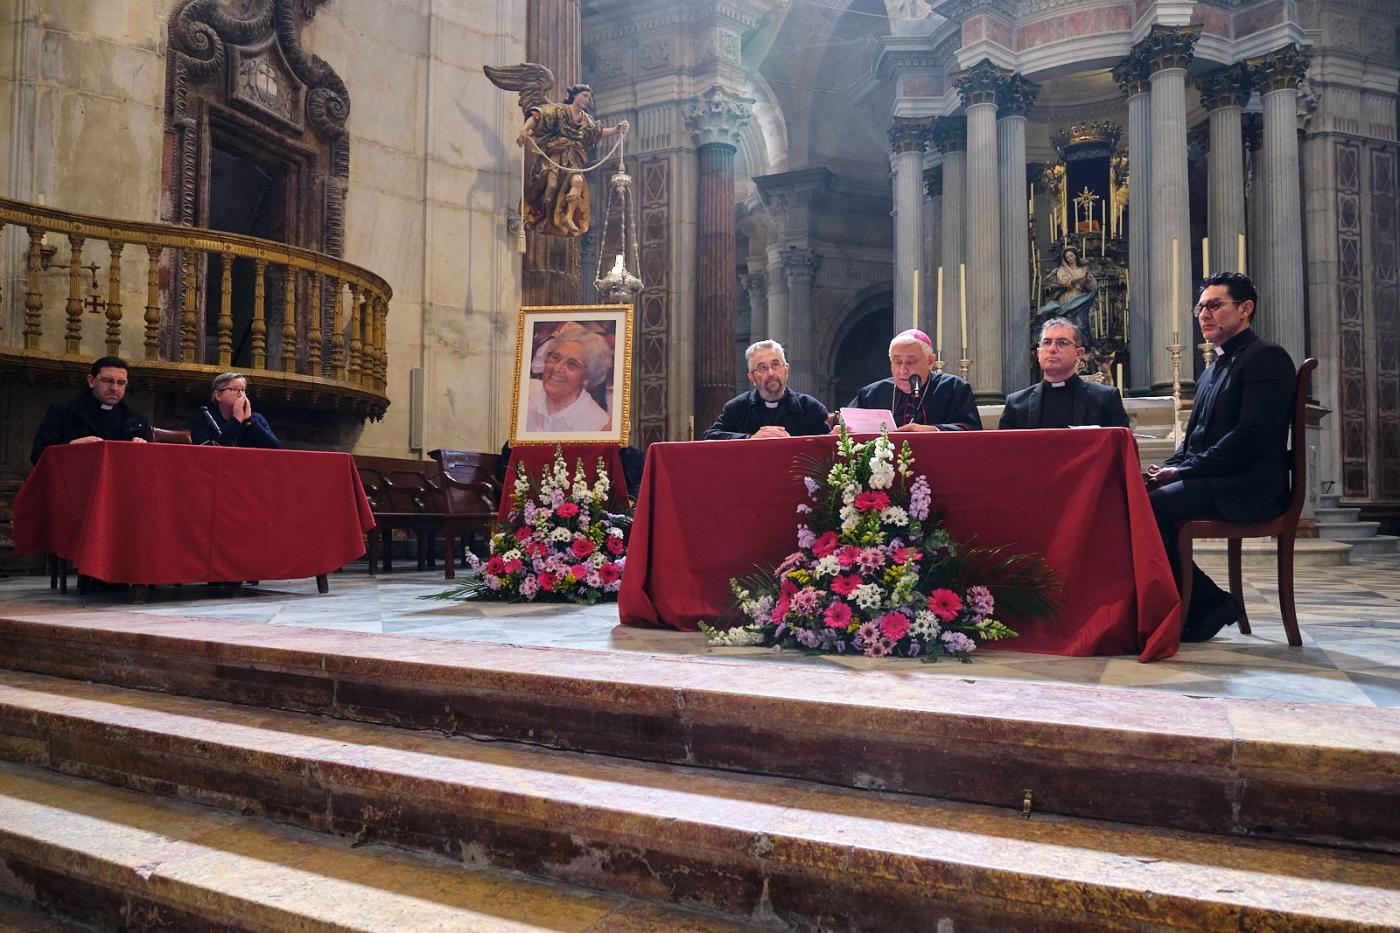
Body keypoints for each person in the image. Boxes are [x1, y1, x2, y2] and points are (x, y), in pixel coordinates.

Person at [1147, 272, 1297, 642]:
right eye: (1201, 307)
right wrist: (1166, 468)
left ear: (1245, 309)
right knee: (1136, 497)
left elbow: (1251, 436)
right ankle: (1189, 603)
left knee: (1149, 510)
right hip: (1215, 479)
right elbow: (1193, 441)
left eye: (1215, 305)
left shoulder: (1267, 357)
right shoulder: (1213, 369)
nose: (1204, 314)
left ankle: (1207, 604)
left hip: (1249, 486)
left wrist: (1184, 471)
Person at [516, 84, 628, 237]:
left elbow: (597, 132)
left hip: (573, 158)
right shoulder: (560, 110)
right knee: (551, 185)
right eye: (584, 96)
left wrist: (616, 130)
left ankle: (568, 217)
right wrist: (524, 129)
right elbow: (539, 115)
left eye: (589, 98)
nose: (587, 100)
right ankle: (547, 218)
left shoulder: (586, 120)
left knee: (578, 181)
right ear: (575, 95)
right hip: (554, 156)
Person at [999, 318, 1130, 430]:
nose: (1052, 349)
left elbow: (1122, 450)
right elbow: (1003, 455)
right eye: (1047, 342)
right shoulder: (1017, 404)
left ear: (1079, 354)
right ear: (1038, 353)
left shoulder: (1105, 399)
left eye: (1062, 343)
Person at [845, 329, 981, 432]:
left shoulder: (953, 388)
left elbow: (971, 429)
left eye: (911, 362)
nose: (902, 370)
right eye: (897, 362)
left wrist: (933, 430)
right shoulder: (871, 394)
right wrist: (842, 430)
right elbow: (846, 424)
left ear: (930, 361)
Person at [31, 356, 152, 463]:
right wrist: (69, 448)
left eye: (121, 383)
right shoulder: (62, 411)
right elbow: (38, 456)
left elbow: (150, 463)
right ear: (91, 381)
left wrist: (143, 450)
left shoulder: (137, 420)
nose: (114, 388)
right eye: (107, 381)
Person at [705, 340, 829, 439]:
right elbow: (710, 437)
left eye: (775, 365)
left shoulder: (810, 407)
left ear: (786, 369)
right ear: (752, 377)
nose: (770, 373)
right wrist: (750, 439)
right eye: (762, 367)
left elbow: (826, 444)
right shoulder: (736, 408)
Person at [526, 323, 613, 432]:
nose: (557, 368)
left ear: (588, 377)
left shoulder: (597, 424)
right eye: (555, 357)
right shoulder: (525, 392)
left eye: (572, 364)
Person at [190, 372, 282, 448]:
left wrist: (249, 422)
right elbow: (205, 451)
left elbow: (276, 448)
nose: (241, 395)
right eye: (234, 389)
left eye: (243, 390)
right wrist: (236, 419)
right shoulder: (204, 417)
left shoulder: (256, 418)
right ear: (218, 395)